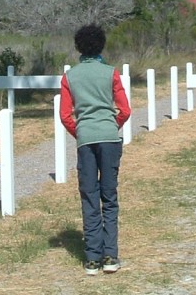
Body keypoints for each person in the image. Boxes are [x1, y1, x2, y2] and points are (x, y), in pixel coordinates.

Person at [59, 23, 132, 275]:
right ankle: (110, 255)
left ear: (79, 47)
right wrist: (112, 126)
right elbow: (125, 109)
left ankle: (92, 258)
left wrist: (80, 132)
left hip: (86, 139)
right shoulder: (110, 73)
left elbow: (66, 115)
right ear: (101, 45)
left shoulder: (70, 77)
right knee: (109, 197)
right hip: (109, 139)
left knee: (89, 196)